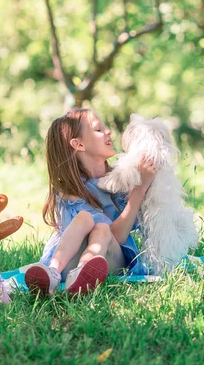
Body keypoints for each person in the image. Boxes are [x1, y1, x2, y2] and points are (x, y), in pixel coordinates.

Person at [24, 109, 156, 295]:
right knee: (86, 218)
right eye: (98, 130)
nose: (108, 132)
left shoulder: (121, 179)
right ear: (78, 144)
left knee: (101, 229)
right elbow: (118, 234)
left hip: (109, 259)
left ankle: (84, 272)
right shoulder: (71, 190)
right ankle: (53, 271)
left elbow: (117, 237)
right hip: (70, 260)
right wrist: (140, 189)